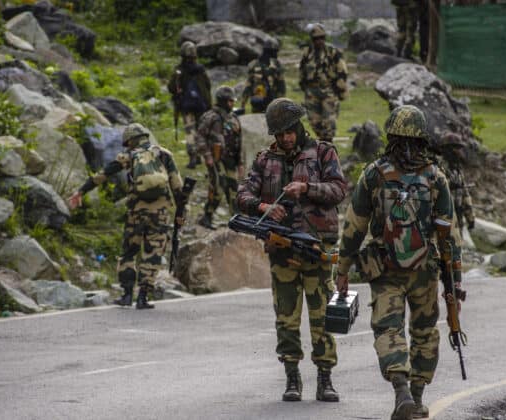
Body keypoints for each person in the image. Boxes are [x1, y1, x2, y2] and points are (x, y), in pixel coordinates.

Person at [336, 105, 459, 419]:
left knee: (388, 330)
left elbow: (354, 226)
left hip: (385, 268)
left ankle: (401, 392)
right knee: (424, 332)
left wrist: (343, 269)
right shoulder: (435, 177)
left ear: (389, 134)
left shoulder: (375, 174)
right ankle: (416, 399)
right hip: (426, 270)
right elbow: (449, 234)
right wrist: (455, 281)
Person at [237, 98, 347, 403]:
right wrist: (262, 206)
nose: (285, 138)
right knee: (286, 317)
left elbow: (339, 189)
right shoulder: (264, 160)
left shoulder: (323, 152)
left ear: (299, 127)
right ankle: (292, 377)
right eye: (280, 134)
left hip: (316, 249)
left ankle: (325, 378)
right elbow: (243, 193)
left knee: (321, 315)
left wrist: (307, 188)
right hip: (282, 250)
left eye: (289, 132)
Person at [67, 123, 184, 309]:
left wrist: (81, 191)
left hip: (136, 212)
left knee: (129, 251)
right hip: (160, 213)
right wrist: (180, 213)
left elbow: (103, 174)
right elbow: (178, 187)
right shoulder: (164, 154)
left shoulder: (129, 156)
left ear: (131, 141)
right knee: (153, 253)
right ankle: (143, 297)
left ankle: (127, 294)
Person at [195, 86, 244, 229]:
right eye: (229, 101)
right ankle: (207, 216)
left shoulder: (234, 118)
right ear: (222, 101)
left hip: (231, 160)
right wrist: (208, 156)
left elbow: (239, 141)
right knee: (218, 188)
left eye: (232, 101)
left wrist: (240, 162)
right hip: (216, 159)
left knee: (234, 189)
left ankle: (236, 220)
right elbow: (200, 137)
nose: (232, 103)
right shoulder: (210, 117)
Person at [298, 24, 348, 143]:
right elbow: (302, 70)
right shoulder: (307, 53)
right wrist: (304, 86)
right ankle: (322, 141)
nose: (319, 41)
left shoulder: (333, 52)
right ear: (312, 40)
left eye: (321, 38)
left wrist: (340, 89)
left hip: (329, 91)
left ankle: (328, 146)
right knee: (314, 121)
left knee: (329, 121)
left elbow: (342, 71)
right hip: (311, 92)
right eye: (316, 38)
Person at [168, 40, 212, 169]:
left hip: (186, 106)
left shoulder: (179, 71)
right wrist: (209, 105)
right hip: (201, 106)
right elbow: (207, 87)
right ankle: (201, 156)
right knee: (201, 130)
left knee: (190, 131)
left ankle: (193, 157)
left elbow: (171, 87)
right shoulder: (201, 70)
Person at [438, 132, 475, 234]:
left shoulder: (457, 169)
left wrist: (470, 218)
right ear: (447, 149)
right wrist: (448, 185)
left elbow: (465, 195)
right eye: (456, 148)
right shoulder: (437, 167)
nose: (459, 151)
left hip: (457, 219)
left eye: (459, 148)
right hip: (441, 219)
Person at [240, 39, 286, 114]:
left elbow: (281, 86)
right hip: (258, 103)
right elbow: (248, 85)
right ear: (270, 51)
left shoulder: (276, 65)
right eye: (275, 51)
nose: (276, 54)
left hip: (272, 103)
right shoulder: (254, 65)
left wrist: (281, 103)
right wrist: (242, 105)